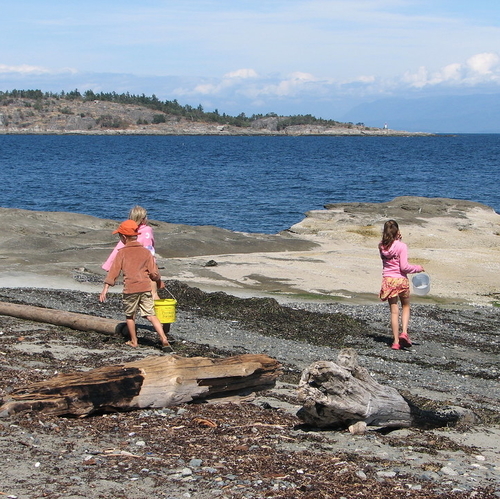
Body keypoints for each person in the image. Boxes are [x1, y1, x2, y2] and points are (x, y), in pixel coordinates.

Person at [99, 219, 172, 351]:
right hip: (145, 288)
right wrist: (159, 282)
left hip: (130, 289)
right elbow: (154, 272)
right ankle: (164, 338)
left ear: (124, 236)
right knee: (151, 315)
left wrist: (105, 288)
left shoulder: (121, 253)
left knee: (130, 316)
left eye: (119, 236)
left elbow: (113, 272)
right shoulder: (146, 252)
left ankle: (134, 341)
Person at [378, 219, 424, 350]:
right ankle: (404, 332)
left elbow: (388, 256)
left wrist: (395, 240)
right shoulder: (401, 246)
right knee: (405, 305)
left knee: (393, 311)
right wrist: (417, 268)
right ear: (397, 231)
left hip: (388, 280)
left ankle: (396, 342)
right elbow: (404, 267)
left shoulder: (381, 246)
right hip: (400, 280)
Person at [102, 205, 160, 299]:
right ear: (142, 219)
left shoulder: (129, 230)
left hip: (131, 263)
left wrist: (110, 265)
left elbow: (119, 249)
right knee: (152, 276)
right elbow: (149, 246)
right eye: (146, 217)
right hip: (144, 259)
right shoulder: (147, 230)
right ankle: (154, 295)